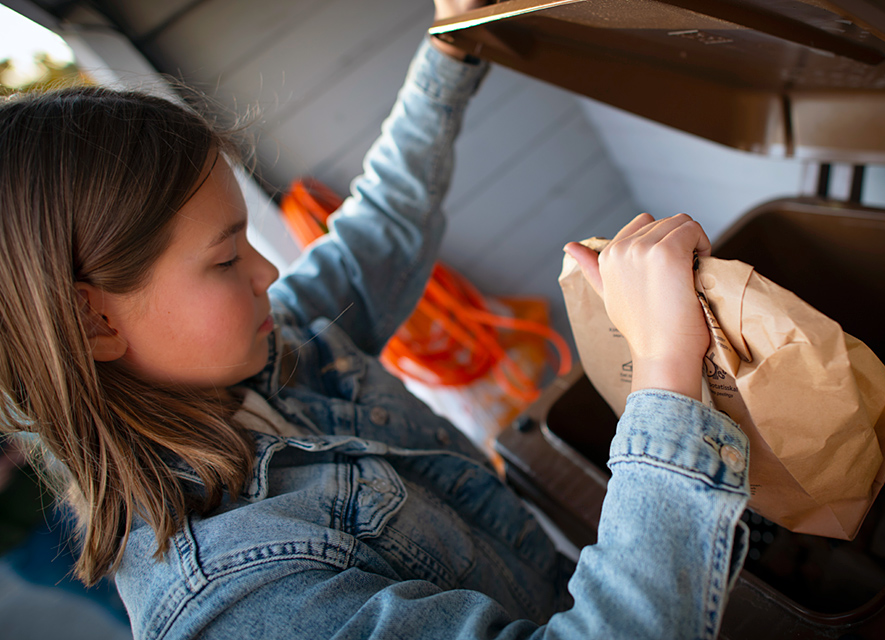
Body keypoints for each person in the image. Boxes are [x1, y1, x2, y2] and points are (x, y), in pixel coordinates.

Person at [0, 0, 750, 637]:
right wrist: (664, 371)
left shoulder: (266, 358)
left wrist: (449, 46)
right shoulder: (235, 599)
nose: (268, 273)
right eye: (227, 260)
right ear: (94, 322)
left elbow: (382, 229)